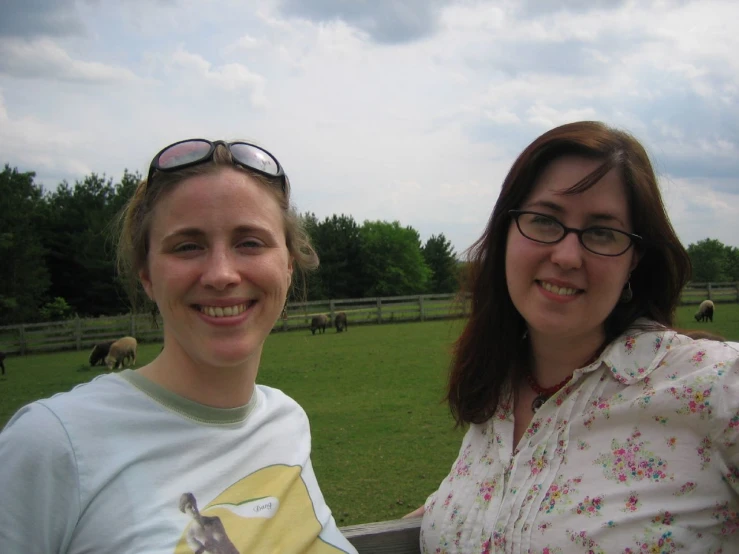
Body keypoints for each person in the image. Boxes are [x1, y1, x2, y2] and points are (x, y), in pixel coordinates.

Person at [0, 139, 357, 554]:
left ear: (288, 265)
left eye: (250, 242)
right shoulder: (52, 445)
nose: (221, 274)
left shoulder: (287, 421)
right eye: (188, 246)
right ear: (147, 275)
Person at [412, 122, 739, 553]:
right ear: (506, 232)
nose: (566, 256)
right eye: (545, 220)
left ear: (635, 260)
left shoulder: (716, 386)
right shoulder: (496, 392)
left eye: (602, 232)